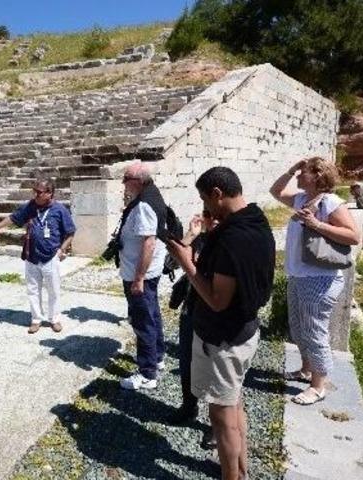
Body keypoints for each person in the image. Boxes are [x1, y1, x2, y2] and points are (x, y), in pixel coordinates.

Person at [165, 166, 275, 480]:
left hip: (224, 339)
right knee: (234, 401)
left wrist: (186, 261)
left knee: (222, 415)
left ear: (217, 194)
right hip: (243, 330)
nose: (206, 207)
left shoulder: (233, 239)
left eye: (205, 199)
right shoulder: (254, 219)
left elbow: (216, 299)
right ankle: (240, 469)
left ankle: (231, 476)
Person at [269, 157, 360, 406]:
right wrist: (289, 168)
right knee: (298, 326)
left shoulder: (330, 202)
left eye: (303, 172)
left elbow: (353, 236)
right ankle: (306, 369)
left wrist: (316, 224)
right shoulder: (300, 199)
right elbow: (275, 191)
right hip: (299, 275)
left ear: (317, 176)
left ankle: (318, 386)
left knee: (314, 330)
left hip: (320, 278)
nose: (298, 176)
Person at [0, 178, 76, 334]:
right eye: (34, 191)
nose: (35, 195)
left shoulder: (60, 210)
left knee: (53, 290)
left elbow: (70, 232)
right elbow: (13, 217)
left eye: (39, 192)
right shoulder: (30, 206)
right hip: (31, 256)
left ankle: (54, 319)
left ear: (49, 193)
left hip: (50, 256)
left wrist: (61, 250)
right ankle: (36, 319)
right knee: (33, 290)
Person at [117, 162, 168, 390]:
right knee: (152, 314)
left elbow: (149, 242)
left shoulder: (144, 204)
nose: (123, 183)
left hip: (140, 275)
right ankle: (157, 357)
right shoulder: (151, 194)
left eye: (126, 178)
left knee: (142, 321)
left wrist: (138, 278)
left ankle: (147, 373)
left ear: (138, 180)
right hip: (151, 271)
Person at [167, 209, 218, 425]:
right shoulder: (200, 240)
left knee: (216, 368)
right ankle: (189, 406)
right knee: (187, 360)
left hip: (216, 313)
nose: (213, 220)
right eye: (209, 215)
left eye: (217, 216)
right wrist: (190, 235)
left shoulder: (230, 243)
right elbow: (169, 264)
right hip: (192, 308)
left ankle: (217, 423)